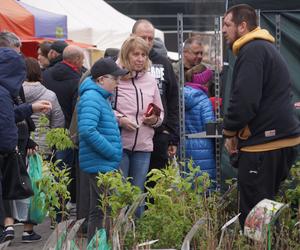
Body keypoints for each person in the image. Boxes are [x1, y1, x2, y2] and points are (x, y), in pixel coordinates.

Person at [222, 4, 300, 228]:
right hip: (275, 141)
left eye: (227, 24)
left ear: (243, 26)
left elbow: (245, 100)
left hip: (265, 144)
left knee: (255, 214)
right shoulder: (262, 49)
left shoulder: (253, 50)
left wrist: (229, 131)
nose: (224, 30)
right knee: (265, 209)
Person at [0, 48, 52, 243]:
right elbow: (6, 122)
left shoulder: (4, 91)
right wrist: (10, 150)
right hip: (6, 151)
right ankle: (10, 227)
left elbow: (9, 115)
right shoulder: (3, 91)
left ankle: (7, 226)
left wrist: (31, 107)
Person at [77, 57, 128, 241]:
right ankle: (100, 245)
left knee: (99, 210)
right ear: (100, 79)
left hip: (101, 161)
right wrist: (111, 152)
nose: (117, 82)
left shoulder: (99, 96)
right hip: (100, 162)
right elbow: (87, 130)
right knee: (104, 210)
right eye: (114, 78)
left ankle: (96, 245)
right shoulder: (92, 97)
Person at [114, 36, 164, 216]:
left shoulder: (150, 81)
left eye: (143, 54)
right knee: (120, 196)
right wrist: (121, 120)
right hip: (119, 145)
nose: (140, 58)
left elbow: (160, 113)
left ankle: (137, 239)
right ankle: (118, 237)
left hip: (143, 145)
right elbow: (104, 109)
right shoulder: (116, 79)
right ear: (126, 55)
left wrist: (154, 120)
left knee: (138, 195)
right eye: (136, 54)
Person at [43, 44, 84, 224]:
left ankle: (54, 213)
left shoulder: (46, 75)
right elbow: (77, 107)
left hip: (49, 129)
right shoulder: (78, 78)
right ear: (76, 60)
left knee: (53, 171)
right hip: (68, 131)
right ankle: (64, 212)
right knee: (67, 172)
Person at [132, 19, 179, 171]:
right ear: (132, 36)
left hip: (159, 135)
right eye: (142, 37)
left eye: (150, 38)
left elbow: (173, 100)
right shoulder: (123, 62)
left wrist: (170, 135)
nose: (147, 42)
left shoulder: (163, 63)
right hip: (131, 133)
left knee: (157, 186)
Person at [23, 57, 65, 157]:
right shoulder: (50, 95)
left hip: (20, 144)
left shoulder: (14, 94)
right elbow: (58, 124)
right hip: (43, 145)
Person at [184, 70, 216, 180]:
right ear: (206, 83)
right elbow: (210, 129)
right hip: (203, 147)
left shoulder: (180, 96)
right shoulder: (204, 100)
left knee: (187, 180)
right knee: (204, 183)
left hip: (184, 144)